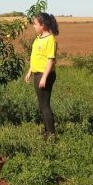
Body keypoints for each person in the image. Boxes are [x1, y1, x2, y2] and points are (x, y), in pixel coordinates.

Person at [24, 12, 59, 141]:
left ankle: (51, 135)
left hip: (45, 75)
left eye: (35, 24)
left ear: (43, 25)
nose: (33, 26)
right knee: (42, 105)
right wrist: (30, 71)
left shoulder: (50, 39)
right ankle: (47, 132)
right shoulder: (39, 38)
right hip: (37, 73)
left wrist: (44, 77)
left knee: (44, 106)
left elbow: (50, 60)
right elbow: (36, 57)